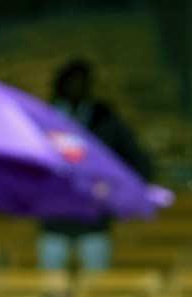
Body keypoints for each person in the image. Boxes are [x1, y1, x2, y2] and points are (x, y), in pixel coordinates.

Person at [38, 58, 152, 271]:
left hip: (94, 217)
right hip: (54, 218)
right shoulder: (44, 116)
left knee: (96, 283)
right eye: (71, 81)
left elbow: (136, 160)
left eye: (81, 82)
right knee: (50, 283)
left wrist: (119, 192)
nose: (76, 87)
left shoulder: (104, 119)